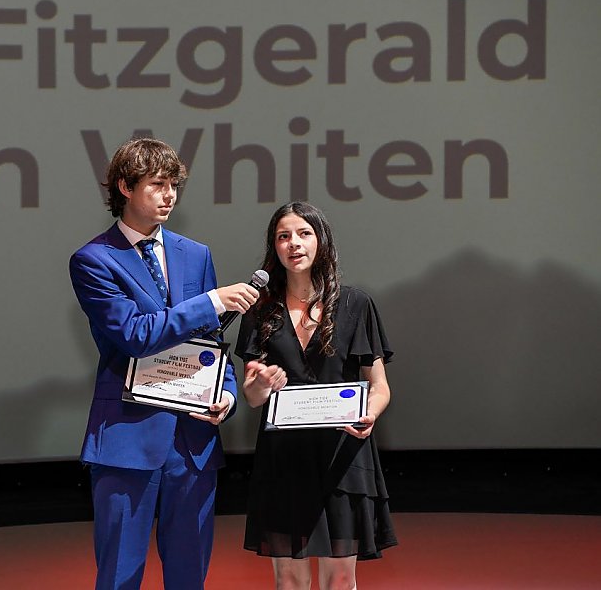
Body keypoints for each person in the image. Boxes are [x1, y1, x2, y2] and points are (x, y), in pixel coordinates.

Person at [69, 137, 260, 589]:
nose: (170, 194)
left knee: (189, 573)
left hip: (193, 441)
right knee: (119, 573)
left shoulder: (195, 253)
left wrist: (228, 395)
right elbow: (135, 335)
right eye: (157, 184)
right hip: (127, 441)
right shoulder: (94, 260)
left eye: (174, 184)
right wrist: (211, 301)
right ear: (125, 187)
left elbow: (213, 343)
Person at [235, 201, 397, 590]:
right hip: (284, 458)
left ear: (321, 240)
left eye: (304, 233)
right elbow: (253, 396)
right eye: (283, 236)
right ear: (273, 247)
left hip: (343, 452)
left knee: (339, 577)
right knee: (288, 577)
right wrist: (260, 382)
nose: (294, 244)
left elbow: (379, 387)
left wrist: (369, 415)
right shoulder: (259, 308)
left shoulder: (355, 303)